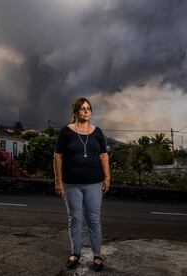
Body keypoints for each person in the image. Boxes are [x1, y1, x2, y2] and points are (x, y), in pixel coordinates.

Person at [53, 97, 110, 272]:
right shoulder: (66, 132)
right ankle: (75, 253)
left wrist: (107, 177)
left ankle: (97, 254)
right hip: (71, 184)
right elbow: (57, 156)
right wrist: (58, 181)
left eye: (89, 108)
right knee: (75, 219)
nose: (86, 111)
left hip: (94, 182)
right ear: (75, 111)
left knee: (93, 219)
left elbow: (103, 155)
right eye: (82, 108)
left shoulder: (97, 132)